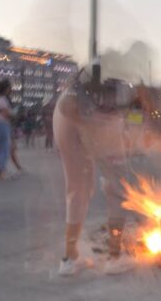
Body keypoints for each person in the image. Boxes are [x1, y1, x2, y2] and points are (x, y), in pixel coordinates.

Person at [53, 62, 139, 277]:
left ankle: (70, 259)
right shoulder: (122, 77)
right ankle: (114, 258)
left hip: (64, 113)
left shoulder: (97, 64)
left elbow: (69, 104)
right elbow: (119, 110)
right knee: (117, 186)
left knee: (77, 188)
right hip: (97, 116)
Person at [0, 79, 14, 180]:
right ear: (5, 89)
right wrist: (13, 114)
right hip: (3, 125)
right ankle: (1, 171)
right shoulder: (3, 100)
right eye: (9, 87)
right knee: (4, 148)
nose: (10, 89)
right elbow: (6, 114)